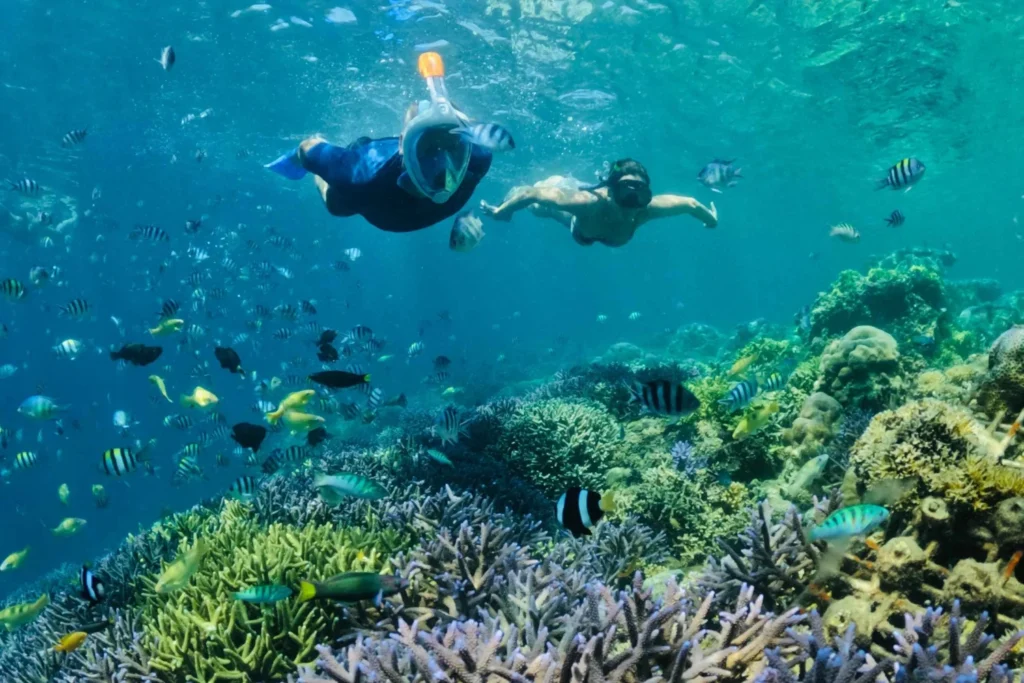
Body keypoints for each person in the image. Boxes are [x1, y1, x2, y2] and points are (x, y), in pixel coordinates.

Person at [265, 52, 492, 233]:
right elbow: (309, 148)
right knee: (335, 205)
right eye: (428, 149)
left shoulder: (478, 154)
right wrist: (302, 156)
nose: (442, 168)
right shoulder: (362, 175)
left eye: (453, 147)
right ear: (402, 146)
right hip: (372, 186)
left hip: (388, 212)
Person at [480, 159, 717, 247]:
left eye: (640, 193)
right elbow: (531, 194)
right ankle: (559, 181)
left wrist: (711, 220)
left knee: (555, 191)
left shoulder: (645, 210)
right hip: (578, 226)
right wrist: (503, 211)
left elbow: (691, 204)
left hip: (594, 224)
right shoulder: (589, 203)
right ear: (610, 190)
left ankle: (563, 181)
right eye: (626, 192)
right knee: (541, 207)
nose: (632, 201)